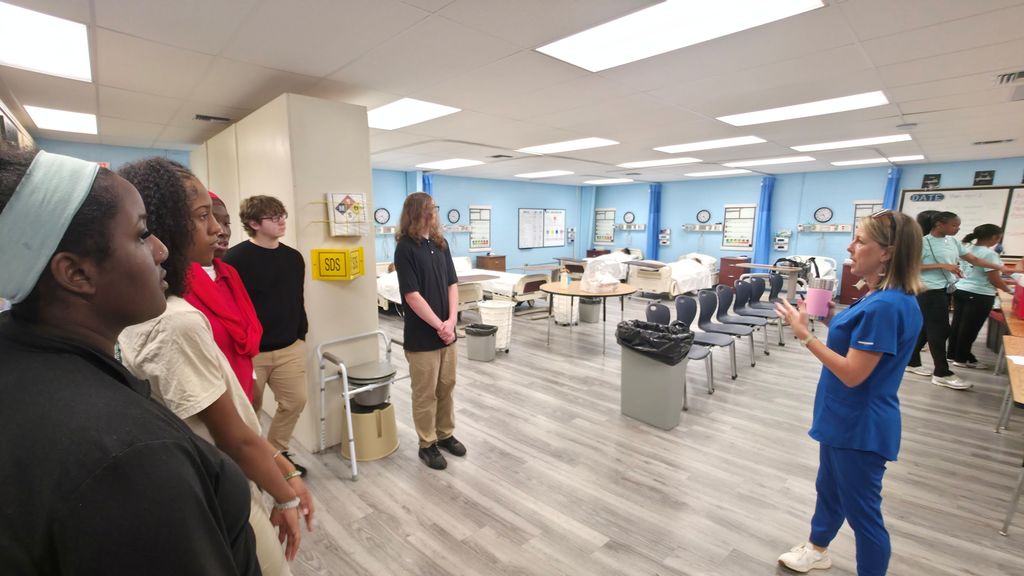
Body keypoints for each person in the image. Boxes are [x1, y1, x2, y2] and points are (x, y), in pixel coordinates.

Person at [0, 148, 259, 575]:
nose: (160, 249)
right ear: (76, 273)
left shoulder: (22, 357)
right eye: (141, 235)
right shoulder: (129, 459)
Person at [117, 158, 314, 576]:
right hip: (221, 478)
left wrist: (281, 468)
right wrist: (286, 494)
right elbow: (232, 436)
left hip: (227, 459)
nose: (215, 229)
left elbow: (240, 422)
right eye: (203, 216)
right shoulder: (176, 320)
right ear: (166, 224)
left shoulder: (158, 305)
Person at [775, 209, 923, 575]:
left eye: (860, 240)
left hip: (860, 427)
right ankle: (817, 549)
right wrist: (823, 319)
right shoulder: (879, 296)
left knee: (864, 517)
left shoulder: (886, 306)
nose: (851, 246)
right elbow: (853, 341)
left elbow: (854, 373)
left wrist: (805, 336)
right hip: (842, 417)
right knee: (830, 488)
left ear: (886, 253)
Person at [224, 195, 310, 476]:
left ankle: (276, 454)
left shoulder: (293, 258)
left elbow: (297, 300)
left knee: (295, 401)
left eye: (282, 215)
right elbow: (229, 308)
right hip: (252, 352)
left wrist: (300, 334)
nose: (282, 220)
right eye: (274, 217)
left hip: (289, 346)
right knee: (249, 411)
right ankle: (254, 464)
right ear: (253, 223)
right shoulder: (234, 260)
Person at [393, 192, 466, 470]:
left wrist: (451, 321)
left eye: (434, 208)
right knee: (425, 393)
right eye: (428, 209)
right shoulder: (405, 248)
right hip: (422, 337)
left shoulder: (440, 244)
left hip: (447, 332)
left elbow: (452, 284)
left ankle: (445, 434)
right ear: (415, 213)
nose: (433, 213)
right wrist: (439, 325)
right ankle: (427, 443)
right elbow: (412, 295)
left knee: (447, 386)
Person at [906, 211, 1014, 389]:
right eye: (954, 225)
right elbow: (912, 266)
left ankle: (911, 361)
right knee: (940, 330)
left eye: (958, 226)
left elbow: (974, 259)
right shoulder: (923, 242)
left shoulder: (953, 241)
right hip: (928, 290)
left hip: (945, 289)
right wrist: (943, 265)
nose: (958, 229)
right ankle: (941, 373)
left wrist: (1001, 267)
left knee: (928, 329)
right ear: (940, 224)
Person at [185, 191, 263, 403]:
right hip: (210, 397)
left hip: (243, 383)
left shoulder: (230, 274)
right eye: (205, 218)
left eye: (226, 223)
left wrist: (252, 377)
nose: (221, 229)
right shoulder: (176, 284)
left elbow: (245, 329)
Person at [947, 224, 1014, 369]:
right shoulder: (990, 254)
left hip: (961, 290)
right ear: (995, 237)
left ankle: (952, 355)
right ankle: (962, 358)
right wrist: (1009, 290)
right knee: (970, 328)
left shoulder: (968, 248)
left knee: (958, 324)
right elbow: (994, 279)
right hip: (979, 294)